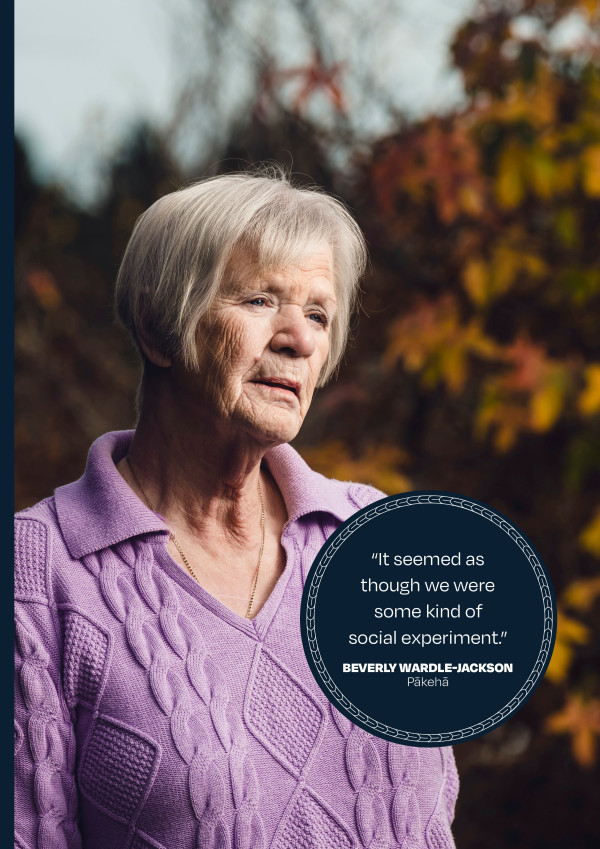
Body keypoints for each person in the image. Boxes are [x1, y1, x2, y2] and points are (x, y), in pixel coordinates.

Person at [15, 169, 459, 849]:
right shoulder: (38, 573)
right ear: (157, 330)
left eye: (318, 314)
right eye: (260, 299)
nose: (300, 340)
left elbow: (433, 822)